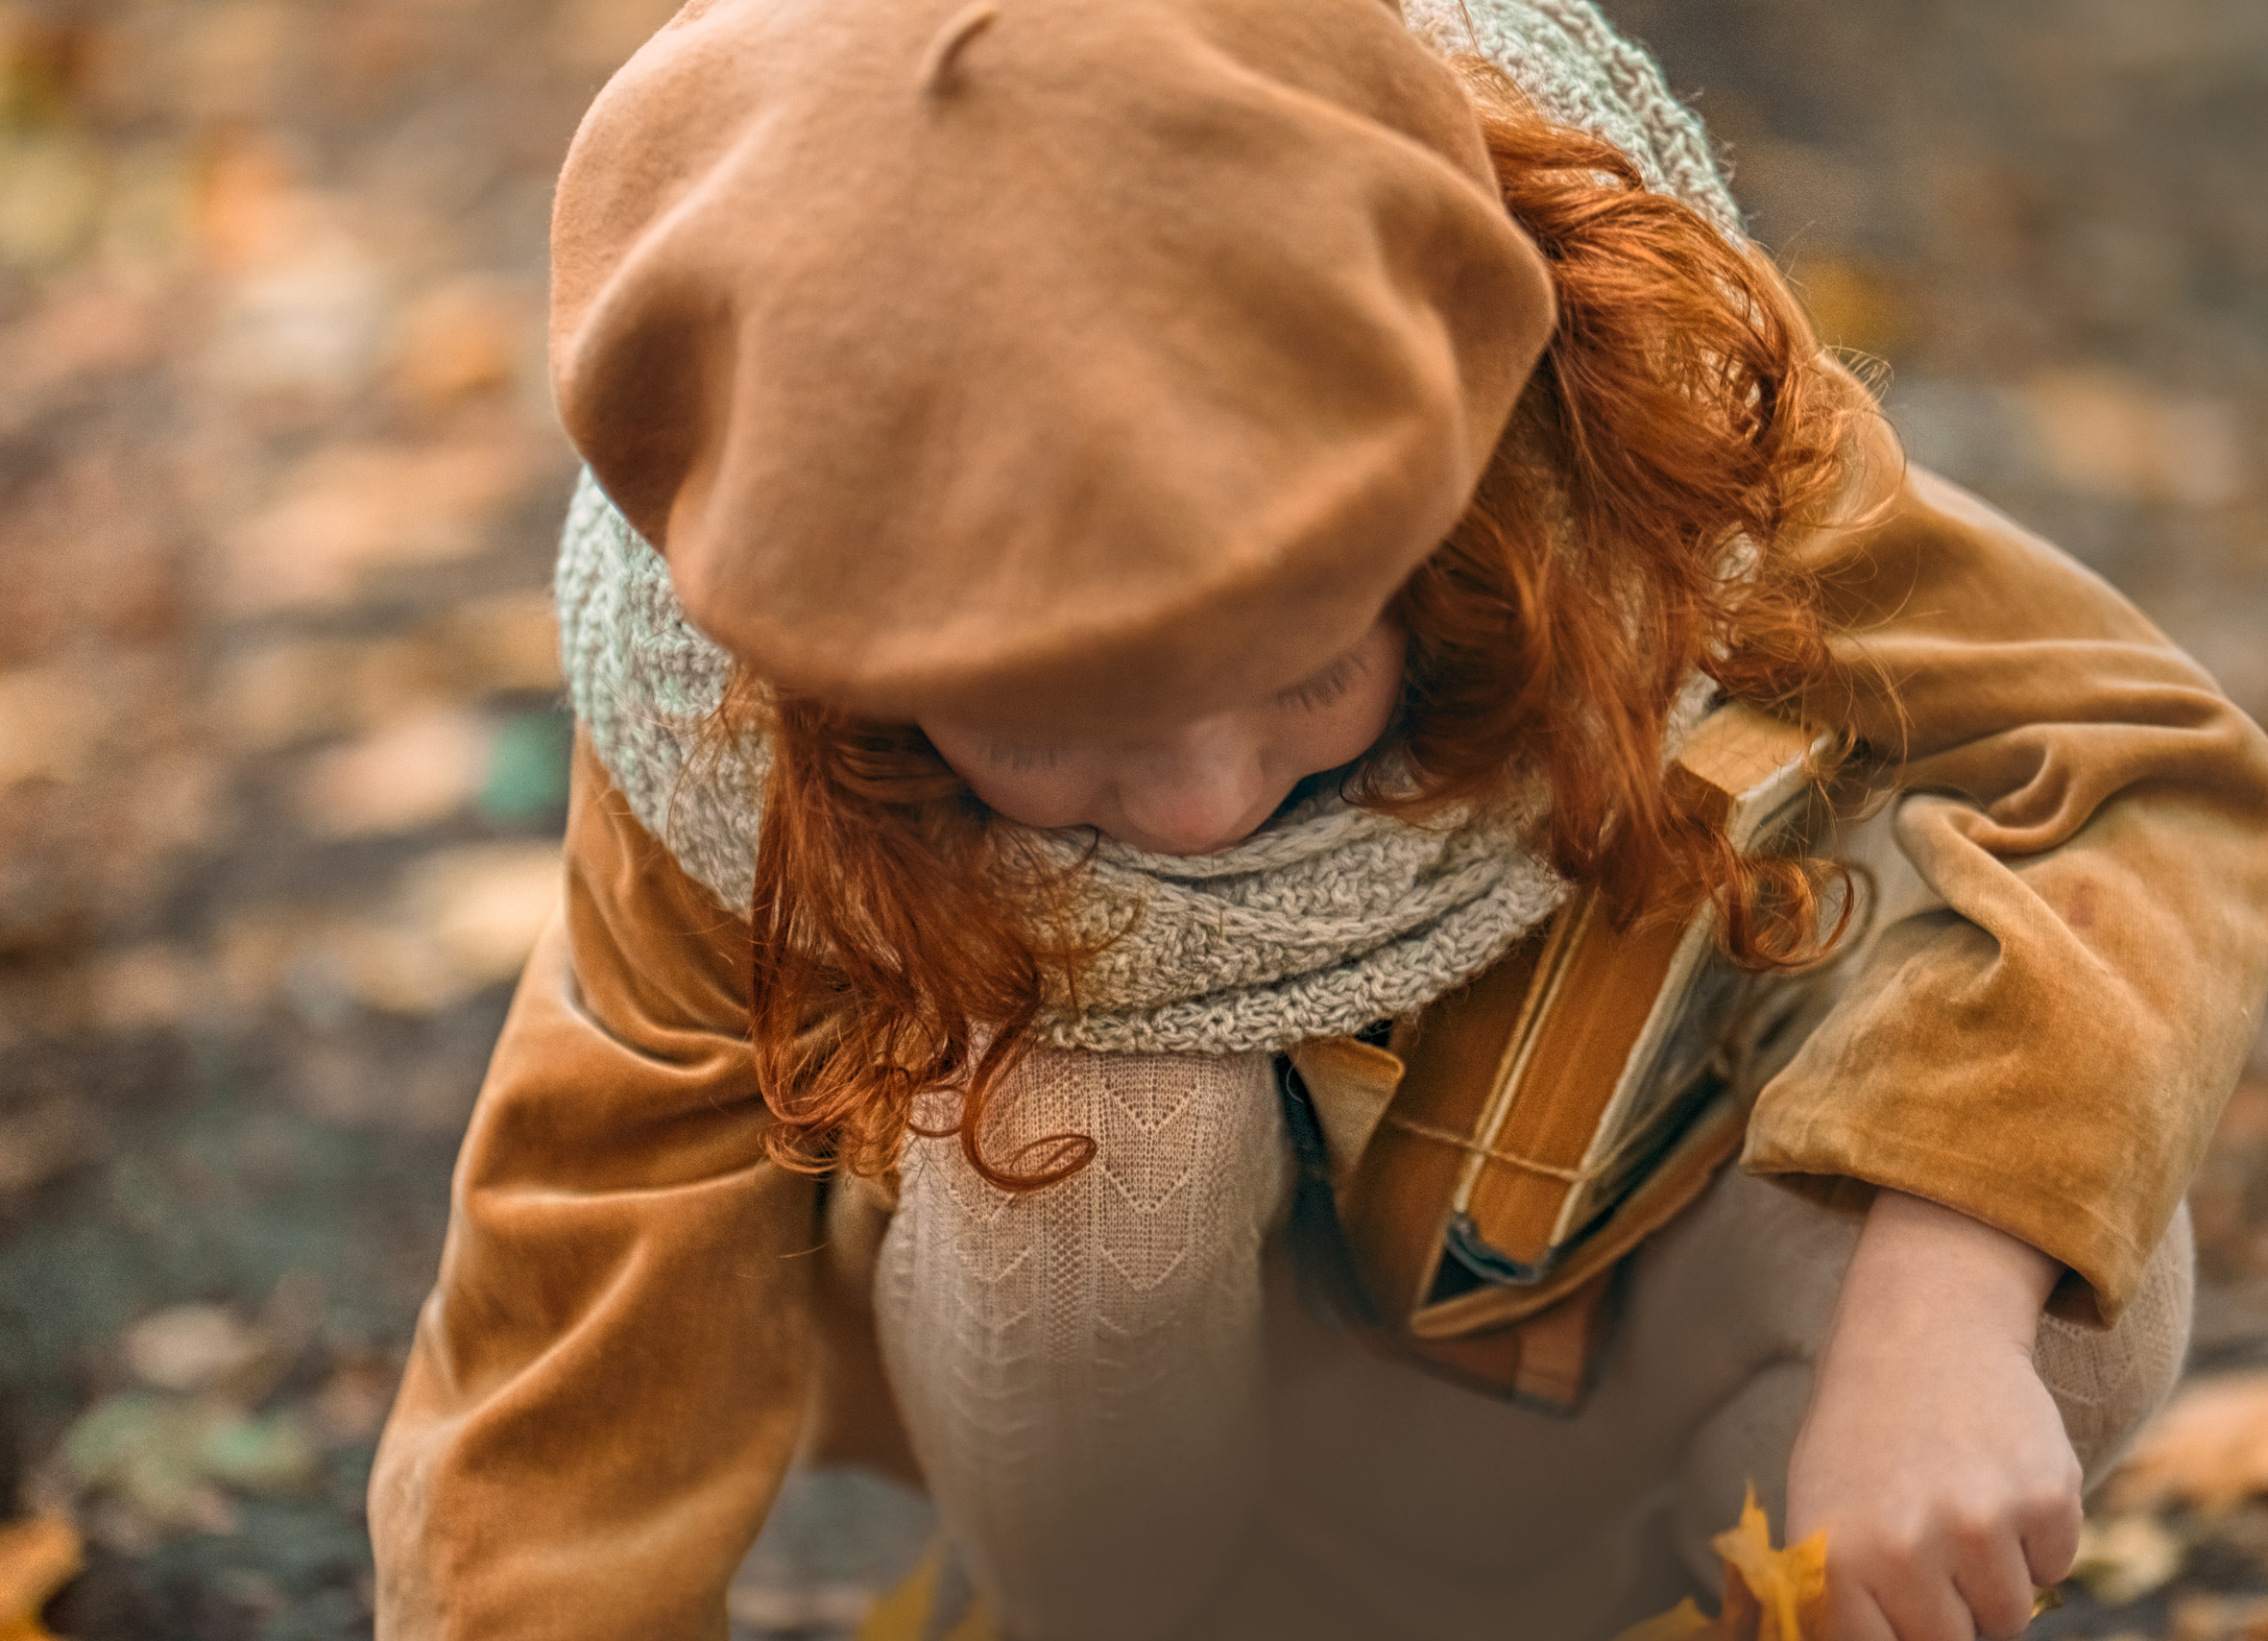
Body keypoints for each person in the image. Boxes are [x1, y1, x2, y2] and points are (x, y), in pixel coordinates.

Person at [368, 0, 2268, 1636]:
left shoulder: (1633, 408)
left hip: (1650, 1288)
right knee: (1096, 1125)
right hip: (1172, 1488)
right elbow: (571, 1339)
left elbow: (2126, 766)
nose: (1197, 810)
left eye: (1299, 668)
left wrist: (1928, 1326)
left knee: (2055, 1267)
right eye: (1054, 734)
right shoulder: (729, 739)